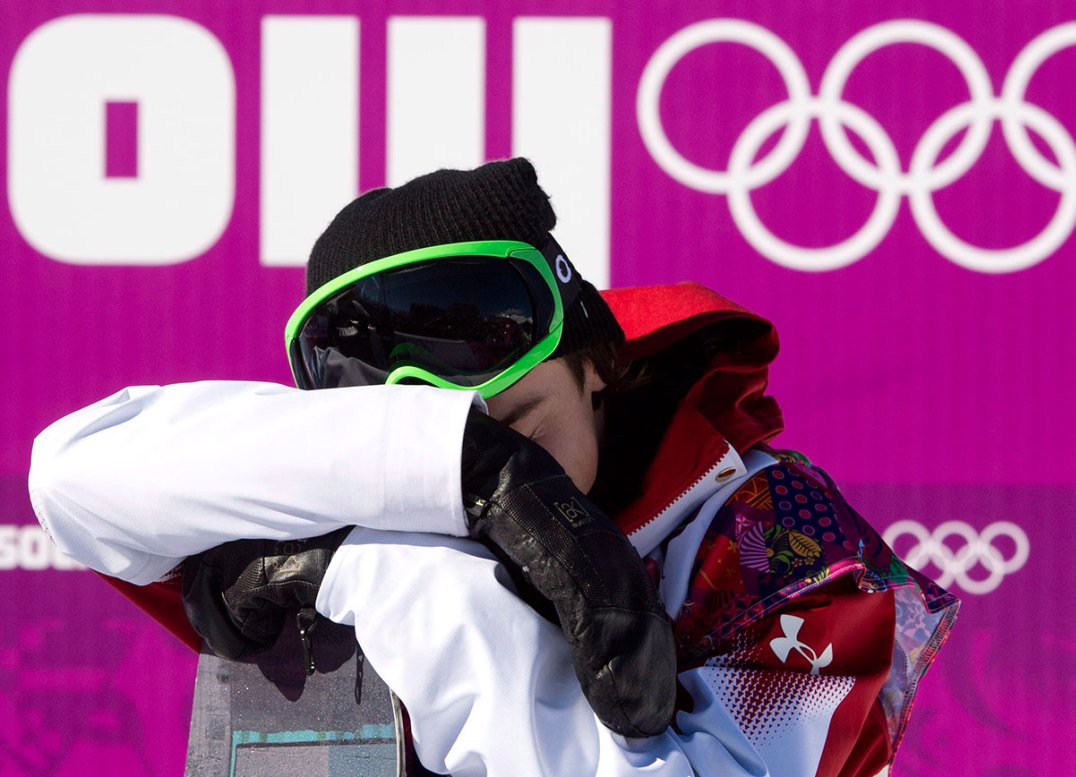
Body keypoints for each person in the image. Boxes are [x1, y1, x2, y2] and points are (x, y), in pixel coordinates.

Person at [29, 158, 958, 776]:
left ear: (599, 360)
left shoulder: (775, 536)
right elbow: (74, 475)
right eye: (414, 432)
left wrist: (405, 585)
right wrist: (445, 478)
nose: (504, 484)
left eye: (515, 421)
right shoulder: (344, 520)